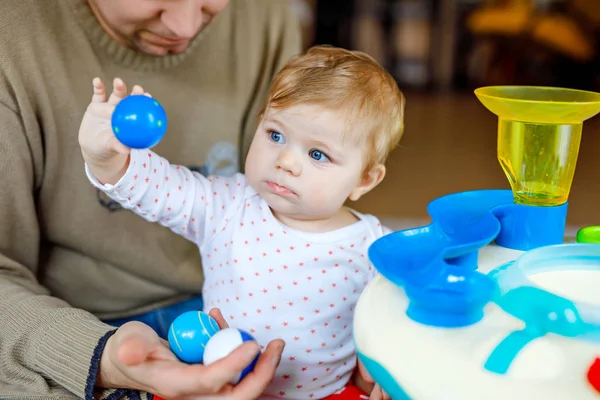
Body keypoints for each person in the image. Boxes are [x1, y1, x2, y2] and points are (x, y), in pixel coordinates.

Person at [0, 0, 304, 399]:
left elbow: (289, 213)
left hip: (232, 308)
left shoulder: (266, 17)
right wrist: (100, 357)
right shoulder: (12, 35)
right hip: (75, 319)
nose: (185, 26)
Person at [79, 45, 406, 399]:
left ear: (364, 180)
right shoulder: (227, 206)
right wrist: (106, 159)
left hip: (328, 393)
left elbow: (401, 313)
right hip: (216, 385)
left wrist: (389, 365)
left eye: (317, 154)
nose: (285, 161)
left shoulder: (375, 246)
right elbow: (160, 189)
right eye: (276, 135)